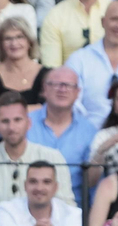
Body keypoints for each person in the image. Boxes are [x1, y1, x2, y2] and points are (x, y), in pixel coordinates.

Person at [0, 92, 73, 226]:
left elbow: (67, 208)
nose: (12, 127)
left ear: (29, 123)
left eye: (17, 120)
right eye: (5, 121)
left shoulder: (53, 158)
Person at [27, 66, 98, 203]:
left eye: (69, 85)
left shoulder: (90, 131)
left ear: (78, 92)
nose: (62, 89)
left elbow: (92, 183)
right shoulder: (26, 124)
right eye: (56, 84)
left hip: (73, 210)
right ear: (44, 89)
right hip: (29, 206)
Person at [0, 161, 83, 226]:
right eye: (33, 182)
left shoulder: (73, 213)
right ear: (25, 185)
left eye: (46, 182)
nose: (39, 188)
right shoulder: (5, 209)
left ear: (55, 187)